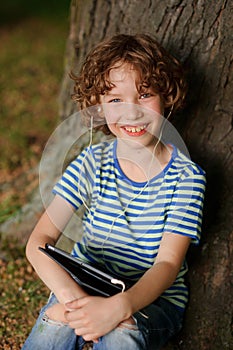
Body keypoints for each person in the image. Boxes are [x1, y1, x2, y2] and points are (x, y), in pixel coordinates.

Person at [22, 33, 206, 350]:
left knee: (122, 330)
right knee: (58, 318)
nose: (132, 112)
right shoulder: (91, 163)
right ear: (99, 107)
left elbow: (167, 265)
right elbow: (38, 242)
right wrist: (76, 304)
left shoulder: (186, 178)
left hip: (152, 300)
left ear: (167, 98)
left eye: (145, 95)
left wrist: (118, 307)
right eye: (116, 99)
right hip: (84, 285)